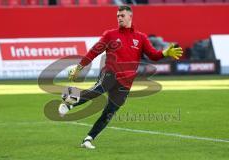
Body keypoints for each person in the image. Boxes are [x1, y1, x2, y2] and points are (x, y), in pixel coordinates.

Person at [58, 5, 183, 149]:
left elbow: (153, 55)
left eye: (122, 15)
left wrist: (164, 53)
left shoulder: (141, 37)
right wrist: (79, 67)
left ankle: (88, 138)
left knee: (109, 112)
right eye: (118, 16)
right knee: (98, 90)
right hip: (110, 73)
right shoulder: (110, 35)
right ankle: (69, 95)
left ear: (130, 16)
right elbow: (94, 51)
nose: (119, 18)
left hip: (126, 82)